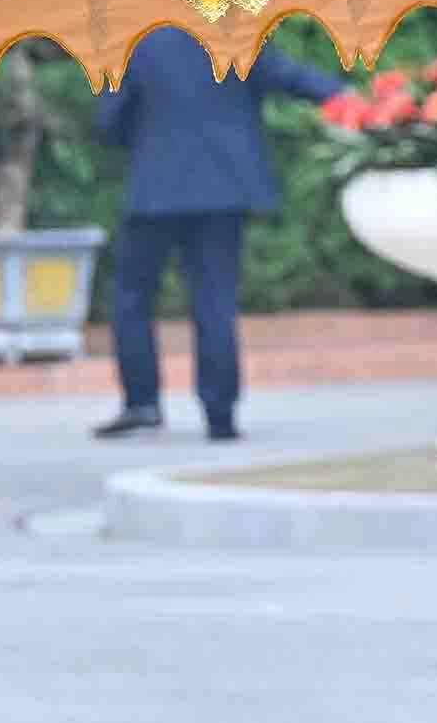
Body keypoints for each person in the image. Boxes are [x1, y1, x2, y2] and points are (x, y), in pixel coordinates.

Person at [90, 25, 341, 441]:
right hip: (225, 189)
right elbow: (292, 78)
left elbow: (111, 118)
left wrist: (145, 137)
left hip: (157, 187)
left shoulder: (140, 39)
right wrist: (359, 102)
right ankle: (219, 414)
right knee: (215, 302)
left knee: (133, 297)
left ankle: (142, 404)